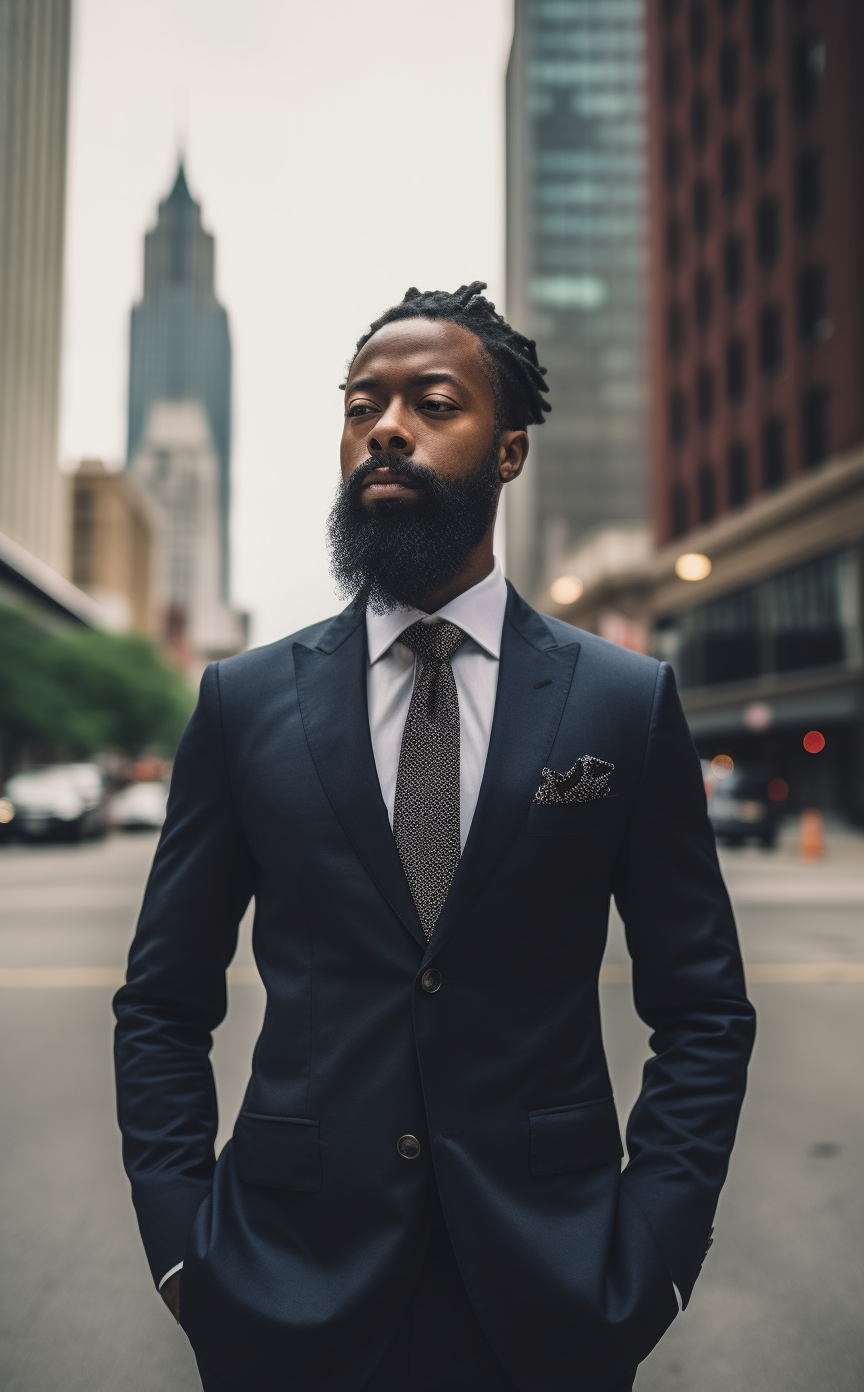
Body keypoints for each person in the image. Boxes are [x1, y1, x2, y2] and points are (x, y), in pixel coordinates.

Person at [114, 282, 755, 1392]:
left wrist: (656, 1256)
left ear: (508, 451)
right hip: (281, 1286)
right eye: (362, 405)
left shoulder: (621, 700)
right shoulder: (243, 702)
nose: (386, 428)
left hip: (552, 1293)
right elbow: (163, 1004)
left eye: (432, 403)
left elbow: (703, 1009)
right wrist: (182, 1249)